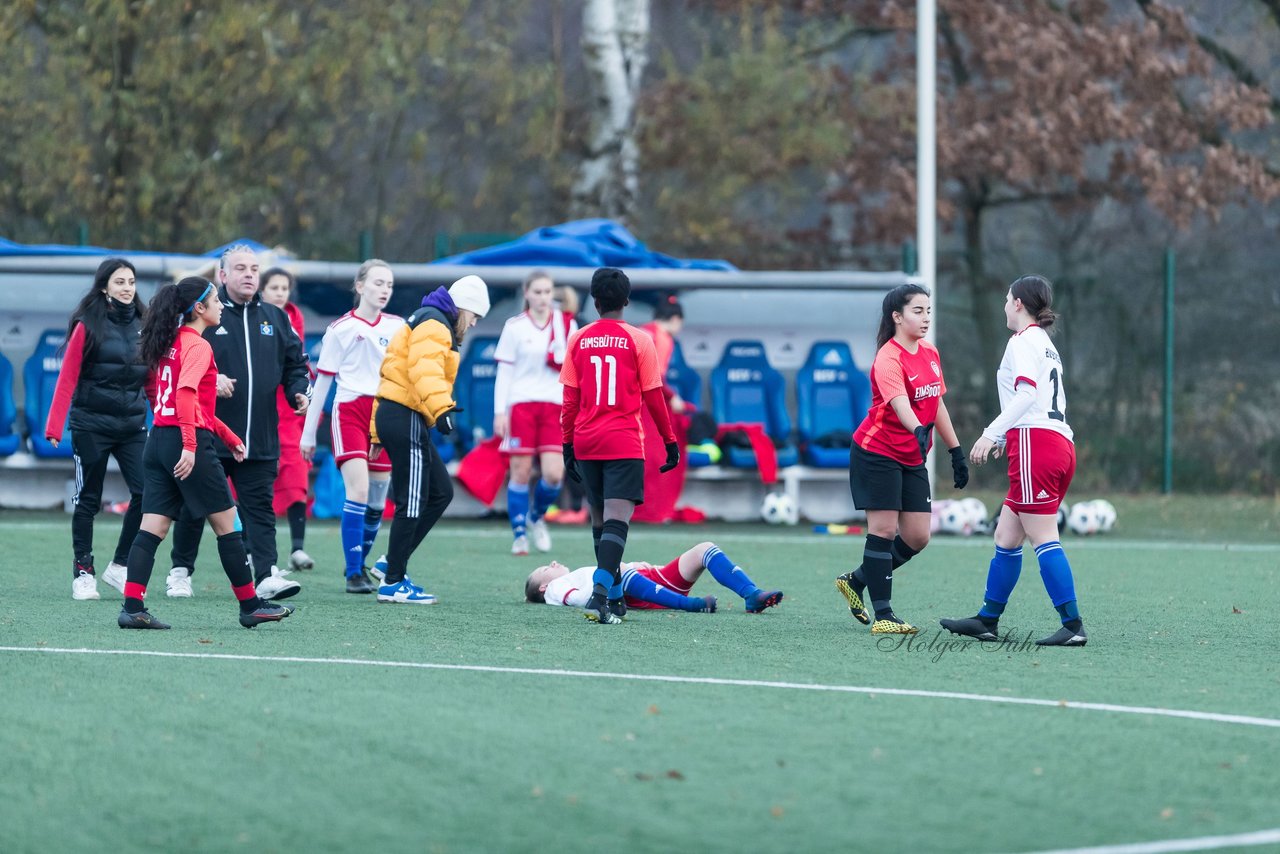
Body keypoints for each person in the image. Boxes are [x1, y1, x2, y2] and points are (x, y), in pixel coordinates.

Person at [116, 277, 292, 629]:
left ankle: (132, 608)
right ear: (199, 308)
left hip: (159, 441)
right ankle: (250, 605)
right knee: (229, 525)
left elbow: (193, 405)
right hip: (184, 439)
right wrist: (192, 446)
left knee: (152, 527)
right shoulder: (198, 346)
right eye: (215, 300)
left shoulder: (172, 342)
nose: (221, 306)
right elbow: (184, 396)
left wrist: (227, 436)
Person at [940, 275, 1086, 647]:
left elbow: (1026, 395)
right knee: (1006, 535)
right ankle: (988, 619)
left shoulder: (1022, 340)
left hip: (1037, 445)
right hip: (1055, 443)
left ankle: (1073, 625)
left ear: (1019, 304)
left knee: (1043, 537)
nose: (1005, 305)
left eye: (1007, 299)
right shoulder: (1046, 344)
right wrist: (1008, 434)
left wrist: (993, 432)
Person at [164, 245, 310, 600]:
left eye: (254, 268)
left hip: (258, 435)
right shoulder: (206, 318)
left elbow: (295, 363)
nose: (249, 274)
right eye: (240, 268)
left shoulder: (276, 317)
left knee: (260, 506)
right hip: (209, 433)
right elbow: (178, 368)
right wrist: (212, 382)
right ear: (222, 275)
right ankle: (181, 571)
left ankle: (266, 574)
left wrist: (298, 391)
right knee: (194, 505)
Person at [833, 283, 968, 635]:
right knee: (883, 530)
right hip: (877, 452)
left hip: (911, 455)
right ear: (897, 317)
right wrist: (917, 429)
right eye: (917, 311)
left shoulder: (930, 353)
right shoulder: (887, 358)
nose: (925, 318)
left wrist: (955, 450)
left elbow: (936, 403)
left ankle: (856, 580)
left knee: (918, 536)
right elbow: (899, 403)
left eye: (928, 310)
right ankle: (884, 615)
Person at [559, 267, 679, 625]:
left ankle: (612, 595)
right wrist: (670, 440)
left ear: (595, 302)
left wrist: (567, 444)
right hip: (623, 440)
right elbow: (655, 397)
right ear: (626, 301)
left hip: (586, 438)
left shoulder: (578, 339)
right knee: (617, 520)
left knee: (599, 520)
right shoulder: (640, 340)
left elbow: (569, 400)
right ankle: (599, 595)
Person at [369, 275, 490, 604]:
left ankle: (391, 563)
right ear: (464, 309)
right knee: (414, 498)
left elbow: (394, 371)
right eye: (475, 316)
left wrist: (377, 430)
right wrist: (443, 409)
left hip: (399, 414)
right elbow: (425, 370)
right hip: (405, 415)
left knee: (440, 492)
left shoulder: (427, 319)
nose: (474, 323)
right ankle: (393, 582)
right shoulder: (436, 324)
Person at [43, 259, 150, 601]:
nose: (127, 287)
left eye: (131, 281)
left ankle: (119, 566)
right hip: (91, 425)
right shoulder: (88, 325)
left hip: (132, 425)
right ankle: (83, 572)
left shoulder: (145, 325)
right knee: (88, 499)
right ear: (105, 287)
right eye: (120, 281)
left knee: (147, 494)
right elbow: (68, 377)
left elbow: (152, 378)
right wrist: (54, 425)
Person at [300, 260, 404, 594]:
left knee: (377, 500)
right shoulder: (340, 329)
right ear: (359, 287)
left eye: (388, 284)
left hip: (385, 412)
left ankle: (357, 563)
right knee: (358, 491)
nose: (384, 289)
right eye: (377, 283)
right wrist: (308, 433)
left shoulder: (400, 327)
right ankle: (353, 574)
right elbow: (324, 383)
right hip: (350, 411)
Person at [493, 270, 577, 556]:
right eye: (537, 292)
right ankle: (519, 533)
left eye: (547, 292)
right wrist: (499, 412)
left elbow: (574, 371)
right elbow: (504, 372)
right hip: (522, 404)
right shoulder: (515, 326)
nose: (543, 298)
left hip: (554, 404)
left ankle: (537, 516)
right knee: (521, 471)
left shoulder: (566, 323)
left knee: (555, 473)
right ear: (526, 293)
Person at [524, 541, 782, 616]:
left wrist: (632, 566)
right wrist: (609, 580)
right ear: (544, 586)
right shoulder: (554, 589)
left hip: (647, 579)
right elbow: (581, 598)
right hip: (634, 590)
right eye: (546, 568)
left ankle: (751, 594)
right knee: (617, 571)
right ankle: (690, 605)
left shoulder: (571, 576)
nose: (553, 563)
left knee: (704, 549)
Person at [259, 267, 315, 574]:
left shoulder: (294, 319)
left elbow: (297, 363)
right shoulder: (251, 317)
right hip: (262, 408)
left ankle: (298, 547)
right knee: (256, 481)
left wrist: (302, 392)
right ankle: (251, 551)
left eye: (284, 287)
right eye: (274, 287)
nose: (280, 292)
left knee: (296, 476)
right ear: (262, 290)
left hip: (289, 408)